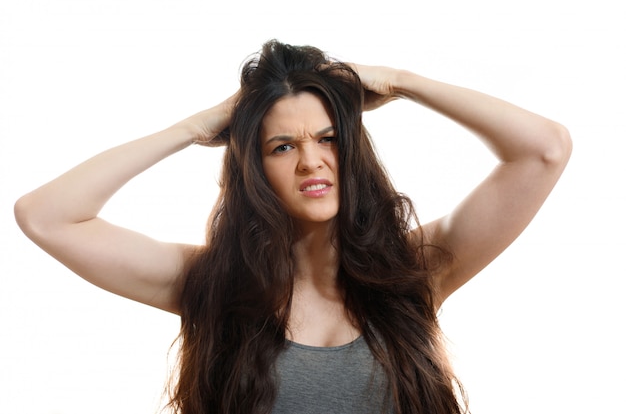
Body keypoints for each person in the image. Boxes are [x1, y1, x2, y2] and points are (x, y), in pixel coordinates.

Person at [14, 40, 572, 414]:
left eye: (328, 138)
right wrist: (196, 126)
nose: (311, 162)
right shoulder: (211, 284)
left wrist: (400, 81)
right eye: (283, 147)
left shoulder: (414, 271)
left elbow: (544, 150)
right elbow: (46, 215)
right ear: (255, 168)